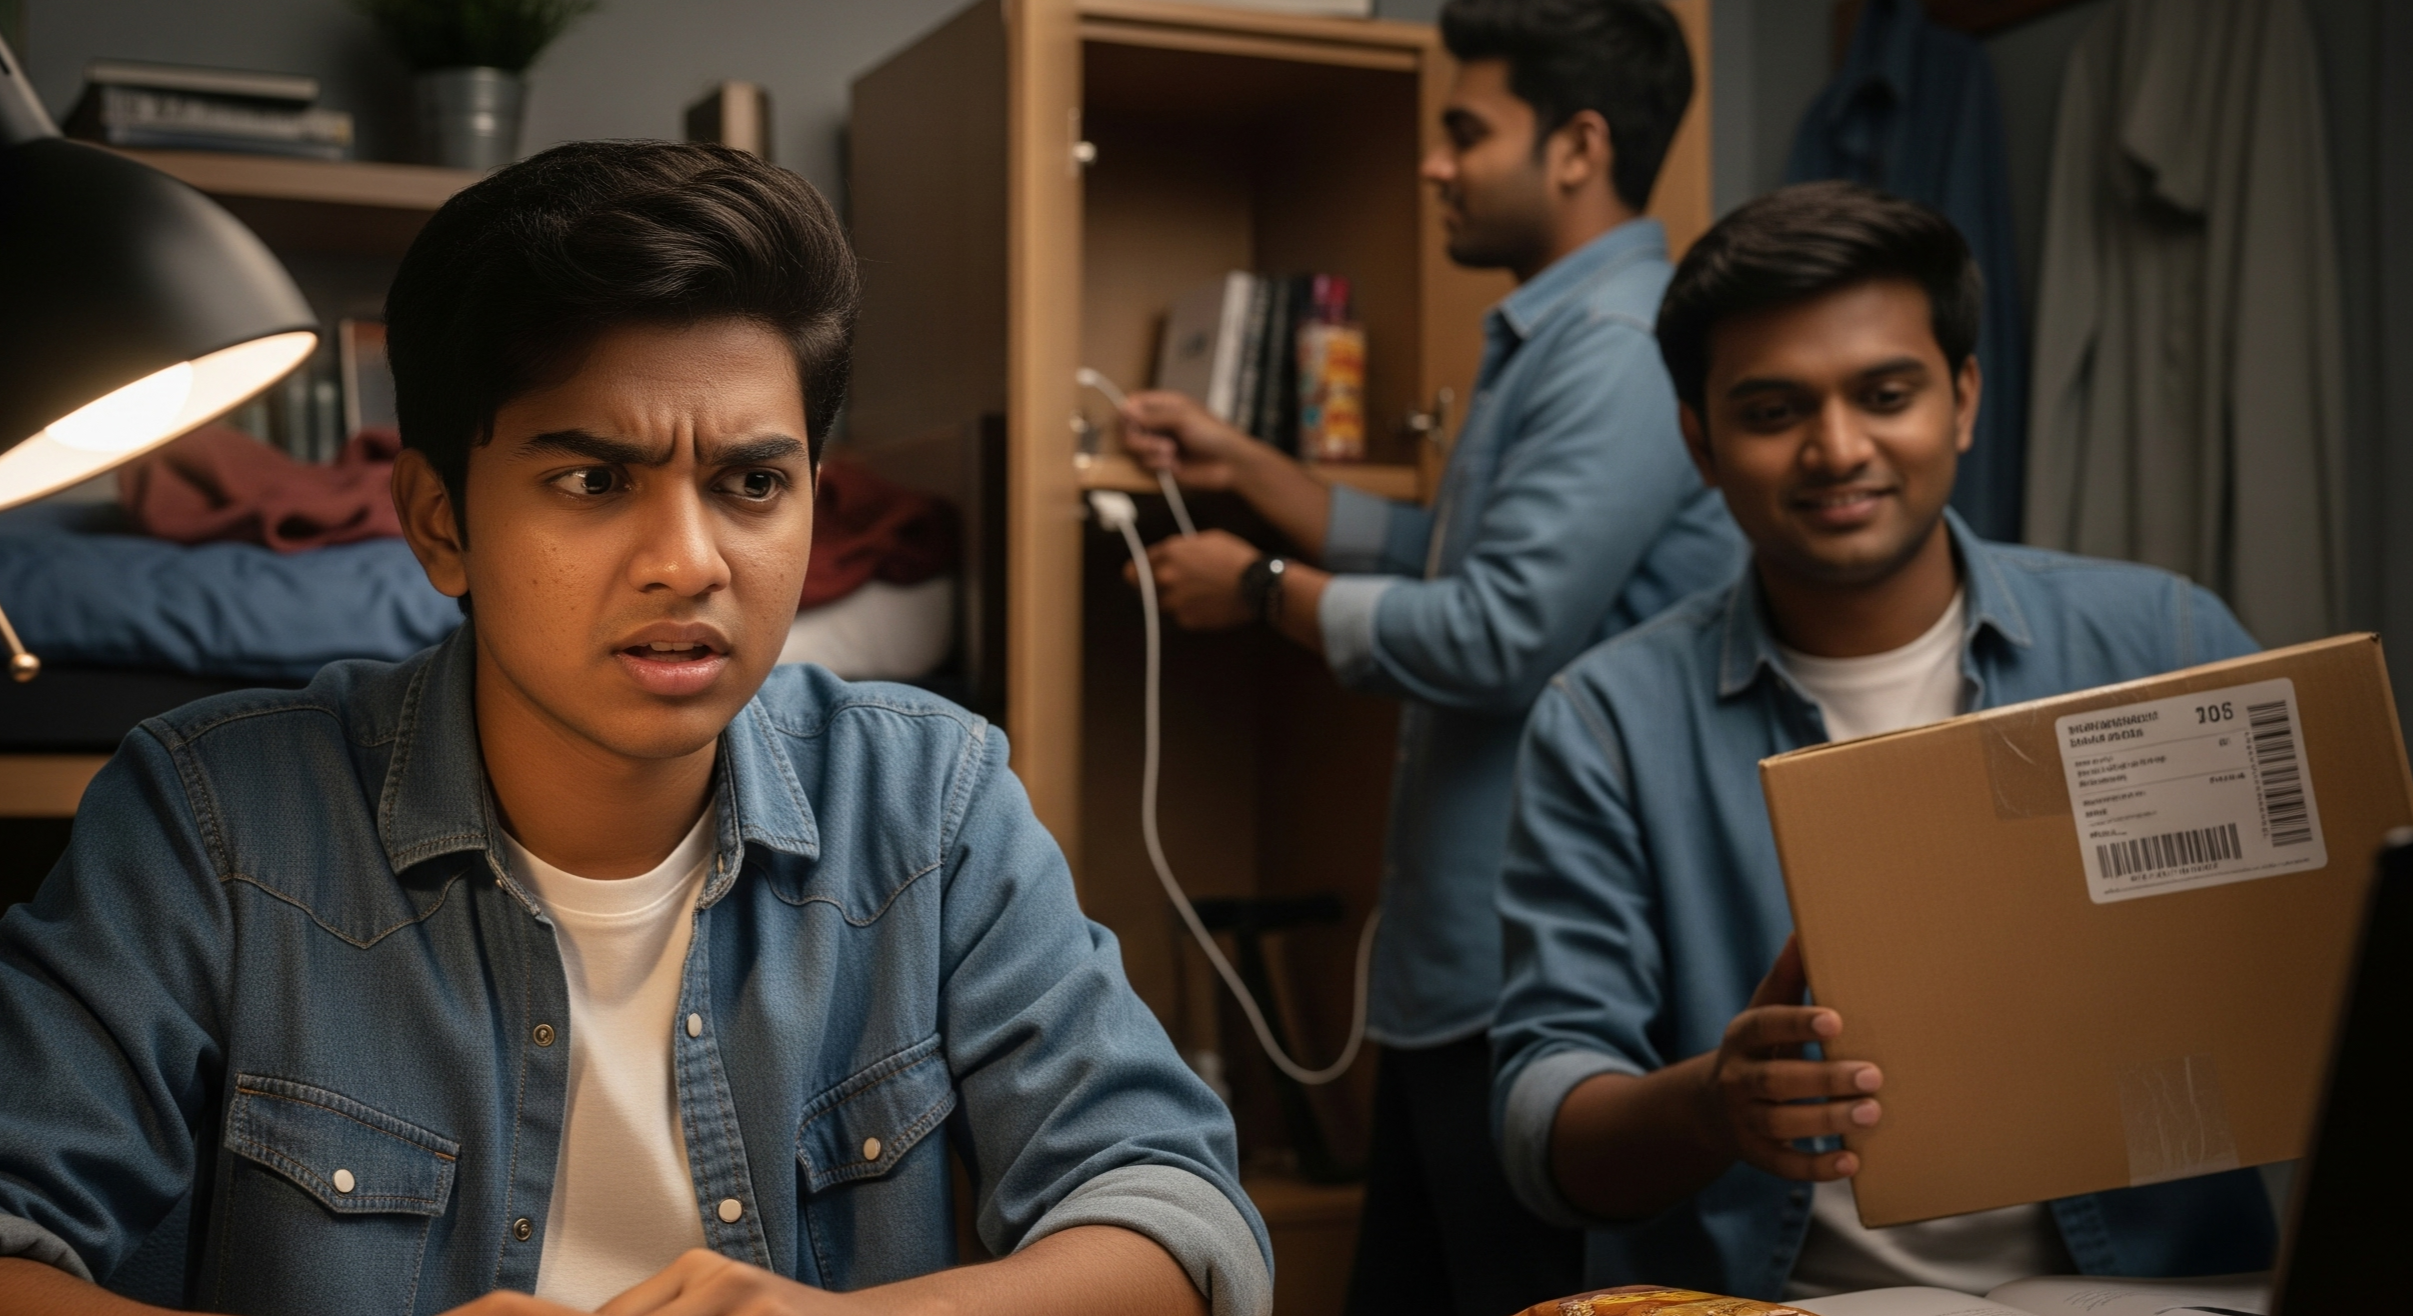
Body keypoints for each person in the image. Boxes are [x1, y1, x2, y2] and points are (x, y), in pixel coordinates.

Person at [0, 142, 1269, 1316]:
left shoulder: (930, 803)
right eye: (594, 480)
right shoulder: (214, 820)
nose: (688, 561)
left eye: (752, 483)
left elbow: (1181, 1218)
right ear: (441, 521)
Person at [1489, 180, 2279, 1302]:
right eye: (1771, 411)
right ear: (1698, 443)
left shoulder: (2165, 640)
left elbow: (2336, 969)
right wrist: (1714, 1099)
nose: (1836, 447)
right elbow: (1540, 1122)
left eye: (1885, 391)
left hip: (2158, 1289)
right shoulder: (1605, 719)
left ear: (1961, 398)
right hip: (1785, 1300)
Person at [1120, 2, 1738, 1312]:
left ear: (1576, 146)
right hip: (1455, 981)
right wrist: (1252, 473)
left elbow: (1499, 629)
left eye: (1466, 129)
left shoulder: (1618, 350)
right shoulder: (1550, 341)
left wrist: (1265, 589)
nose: (1433, 161)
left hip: (1536, 989)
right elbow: (1448, 553)